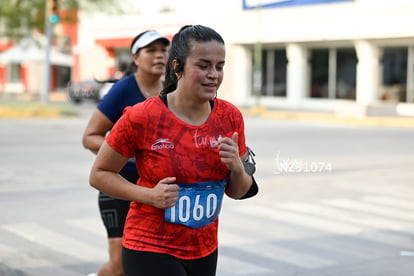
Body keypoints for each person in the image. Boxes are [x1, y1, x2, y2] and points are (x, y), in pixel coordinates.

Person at [89, 24, 258, 276]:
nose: (213, 74)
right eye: (203, 65)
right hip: (150, 245)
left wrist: (236, 168)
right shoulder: (142, 116)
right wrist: (149, 195)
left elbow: (239, 191)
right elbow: (99, 174)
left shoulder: (230, 117)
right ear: (177, 67)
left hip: (204, 248)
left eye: (219, 66)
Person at [82, 30, 170, 276]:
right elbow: (90, 137)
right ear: (135, 57)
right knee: (120, 268)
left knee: (151, 263)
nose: (159, 56)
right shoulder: (123, 90)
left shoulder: (170, 92)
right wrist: (126, 153)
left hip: (155, 188)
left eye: (163, 50)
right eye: (150, 50)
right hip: (120, 186)